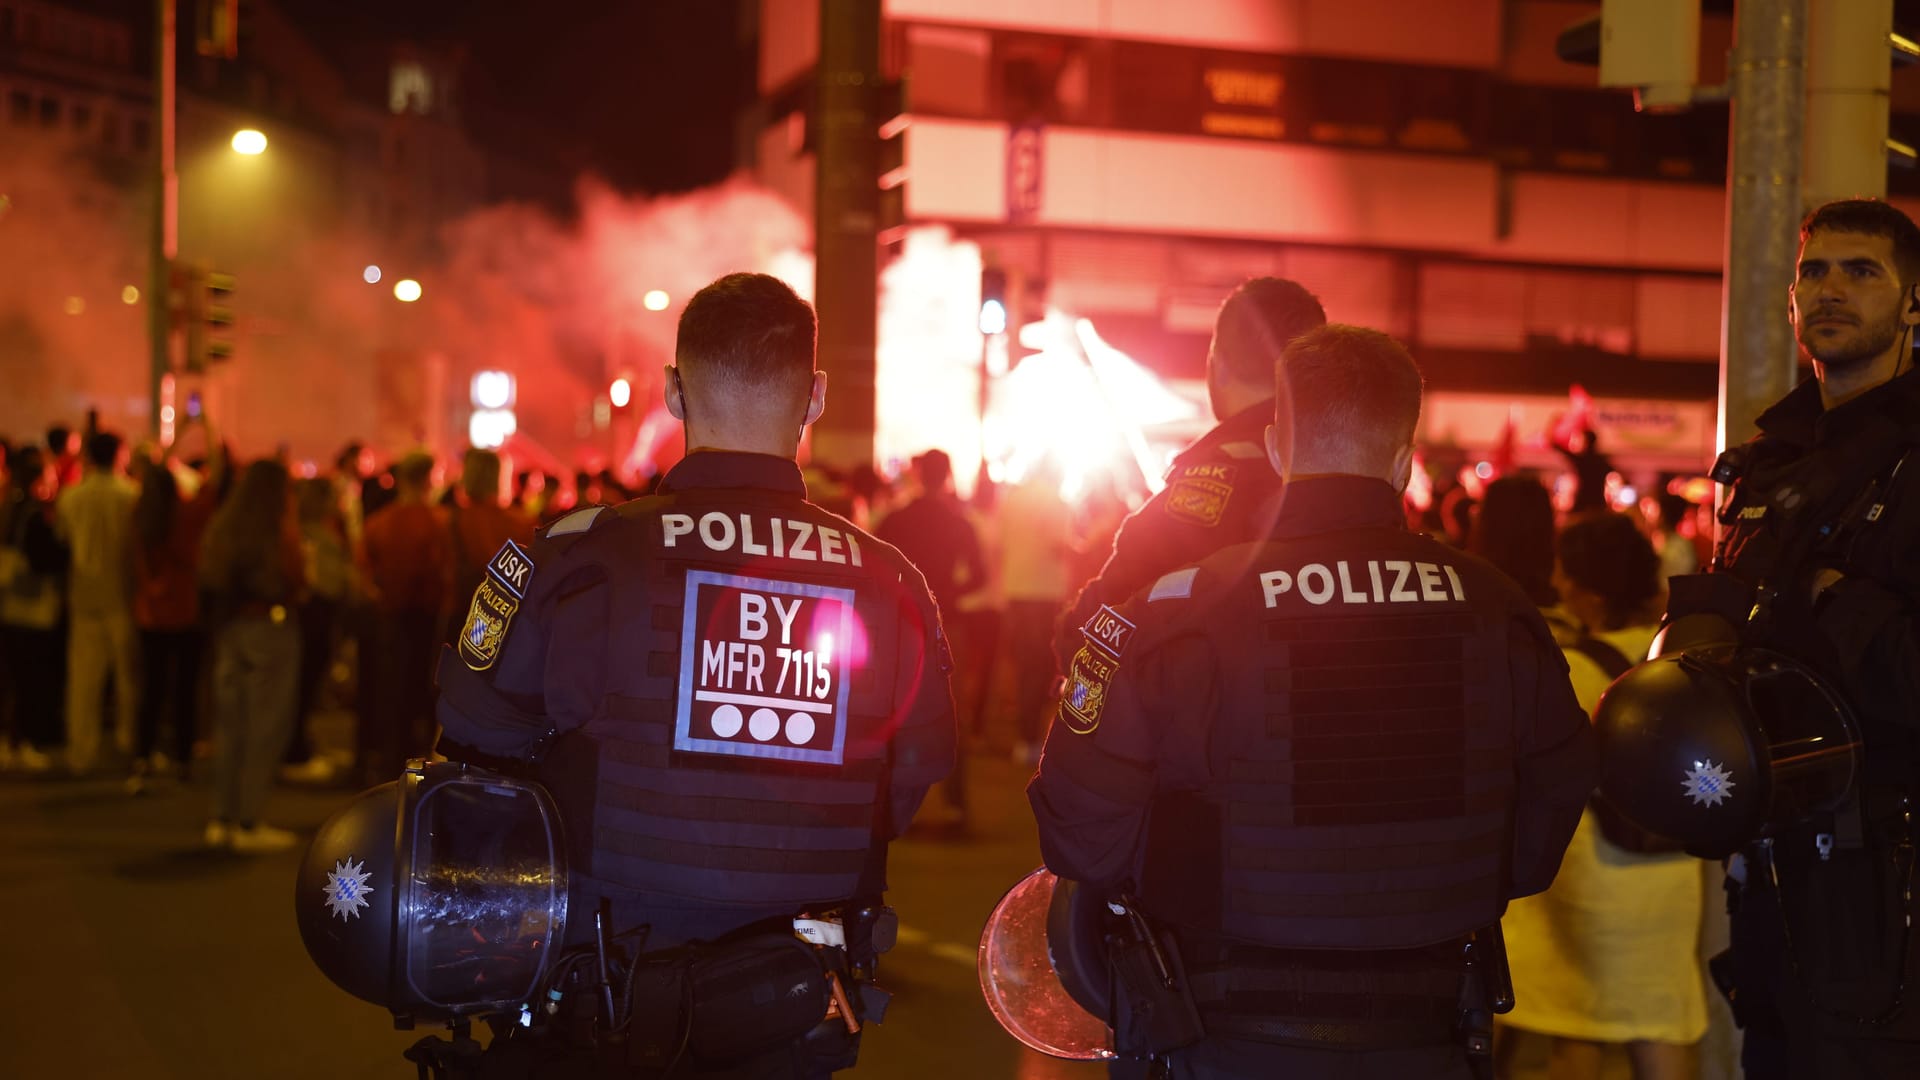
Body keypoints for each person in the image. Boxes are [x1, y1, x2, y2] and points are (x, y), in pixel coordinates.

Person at [1027, 324, 1596, 1079]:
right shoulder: (1500, 610)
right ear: (1402, 463)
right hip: (1425, 1032)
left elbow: (1077, 838)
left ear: (1275, 451)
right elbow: (1552, 805)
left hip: (1219, 1034)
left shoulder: (1174, 613)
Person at [433, 272, 956, 1077]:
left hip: (600, 983)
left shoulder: (577, 553)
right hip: (791, 995)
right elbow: (913, 777)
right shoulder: (890, 580)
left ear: (674, 392)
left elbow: (471, 736)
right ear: (814, 398)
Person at [1657, 198, 1920, 1077]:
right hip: (1771, 865)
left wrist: (1833, 594)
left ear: (1913, 304)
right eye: (1815, 272)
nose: (1832, 290)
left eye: (1863, 271)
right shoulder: (1767, 461)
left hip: (1890, 882)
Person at [1500, 512, 1705, 1080]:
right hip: (1670, 873)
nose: (1558, 585)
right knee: (1661, 1022)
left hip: (1597, 879)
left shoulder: (1578, 670)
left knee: (1578, 1028)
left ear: (1586, 587)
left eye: (1564, 574)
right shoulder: (1679, 656)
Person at [1056, 277, 1327, 662]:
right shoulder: (1349, 479)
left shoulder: (1207, 489)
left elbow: (1091, 628)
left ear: (1217, 366)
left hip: (1218, 718)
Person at [198, 459, 306, 853]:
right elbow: (296, 576)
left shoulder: (224, 526)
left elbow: (208, 574)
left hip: (230, 629)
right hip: (271, 628)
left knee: (230, 725)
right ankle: (248, 819)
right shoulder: (276, 531)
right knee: (265, 726)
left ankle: (222, 817)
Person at [876, 448, 984, 828]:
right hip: (947, 624)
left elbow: (875, 568)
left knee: (895, 707)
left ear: (920, 475)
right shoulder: (958, 523)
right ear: (948, 475)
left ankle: (892, 798)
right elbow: (980, 575)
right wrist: (950, 593)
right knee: (953, 713)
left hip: (901, 623)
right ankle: (955, 803)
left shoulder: (895, 520)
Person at [127, 441, 223, 792]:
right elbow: (215, 483)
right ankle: (182, 757)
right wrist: (203, 431)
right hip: (186, 612)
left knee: (150, 690)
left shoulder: (140, 518)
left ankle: (143, 757)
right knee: (185, 690)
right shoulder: (188, 517)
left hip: (150, 615)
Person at [357, 450, 450, 784]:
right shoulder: (439, 522)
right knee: (423, 690)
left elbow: (363, 572)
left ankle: (387, 759)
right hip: (427, 619)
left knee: (391, 689)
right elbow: (444, 570)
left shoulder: (379, 523)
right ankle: (420, 764)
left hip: (389, 617)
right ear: (428, 479)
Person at [53, 430, 138, 773]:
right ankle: (128, 743)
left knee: (83, 682)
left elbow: (62, 539)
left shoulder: (71, 497)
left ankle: (81, 750)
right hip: (122, 595)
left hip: (84, 595)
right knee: (128, 679)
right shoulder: (131, 495)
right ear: (119, 455)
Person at [0, 445, 66, 770]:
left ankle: (12, 740)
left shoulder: (10, 509)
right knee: (33, 679)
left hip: (11, 604)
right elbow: (46, 560)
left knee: (15, 677)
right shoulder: (36, 515)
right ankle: (27, 741)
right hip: (34, 605)